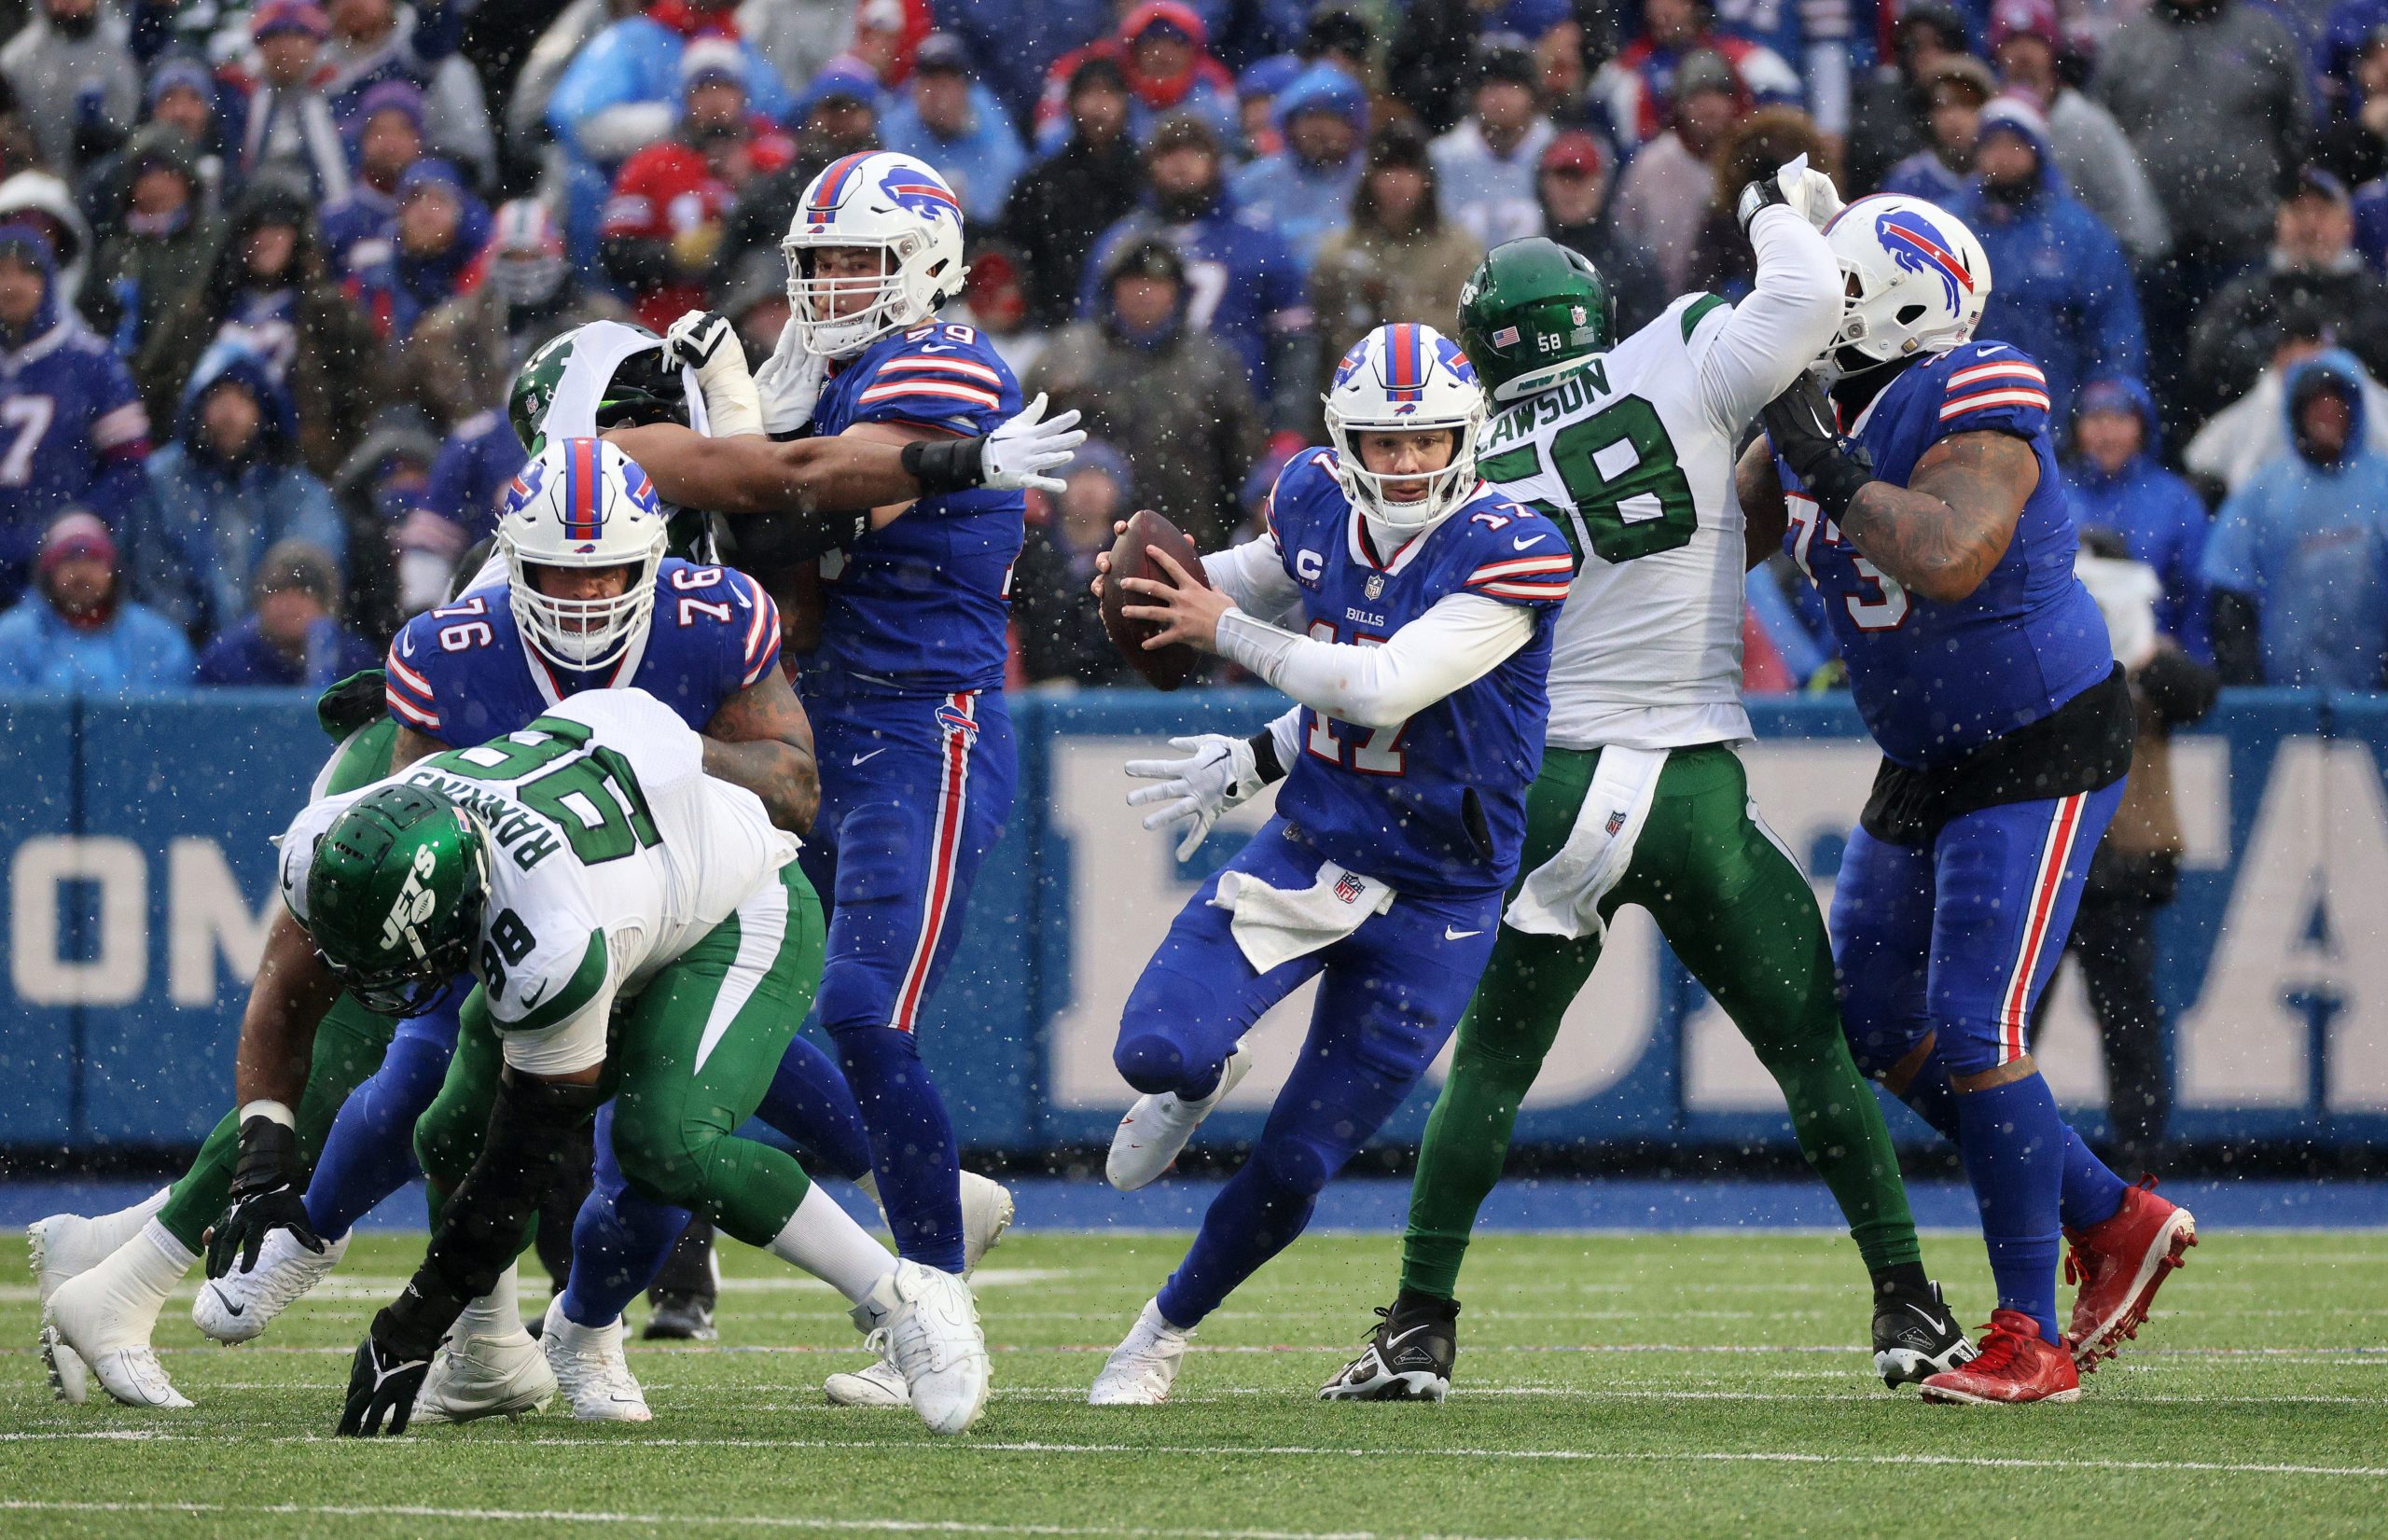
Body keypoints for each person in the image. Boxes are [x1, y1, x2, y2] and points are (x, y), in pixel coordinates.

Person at [30, 317, 1077, 1414]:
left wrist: (414, 1303)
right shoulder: (457, 650)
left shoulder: (700, 596)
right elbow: (298, 968)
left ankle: (604, 1315)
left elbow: (787, 713)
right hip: (538, 880)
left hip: (702, 897)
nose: (582, 602)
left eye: (608, 576)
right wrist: (268, 1139)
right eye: (556, 579)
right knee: (427, 1089)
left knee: (637, 1134)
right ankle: (464, 1322)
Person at [1322, 173, 1966, 1405]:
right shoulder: (1676, 347)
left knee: (1493, 1073)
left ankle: (1419, 1324)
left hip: (1549, 788)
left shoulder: (1459, 463)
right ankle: (1908, 1303)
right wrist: (1779, 203)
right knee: (1811, 1053)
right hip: (1689, 785)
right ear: (1591, 308)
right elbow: (1803, 292)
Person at [1739, 193, 2197, 1402]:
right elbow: (1698, 537)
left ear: (1892, 302)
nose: (1810, 316)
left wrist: (1827, 464)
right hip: (1929, 750)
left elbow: (1949, 552)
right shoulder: (1811, 410)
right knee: (1881, 1021)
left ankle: (2029, 1334)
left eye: (1831, 292)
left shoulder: (1977, 383)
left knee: (1979, 1021)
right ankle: (2111, 1213)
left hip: (2037, 736)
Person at [258, 674, 981, 1436]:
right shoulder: (340, 839)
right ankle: (487, 1355)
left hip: (733, 910)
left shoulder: (543, 933)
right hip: (625, 879)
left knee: (662, 1144)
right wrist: (259, 1148)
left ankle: (908, 1299)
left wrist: (409, 1321)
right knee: (446, 1131)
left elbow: (519, 1163)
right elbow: (281, 994)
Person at [1076, 321, 1573, 1405]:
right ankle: (1203, 1080)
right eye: (1383, 444)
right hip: (1312, 847)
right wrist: (1131, 577)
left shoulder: (1512, 543)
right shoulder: (1311, 500)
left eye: (1427, 440)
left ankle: (1158, 1333)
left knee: (1298, 1159)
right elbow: (1243, 583)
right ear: (1343, 442)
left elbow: (1384, 687)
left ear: (1468, 437)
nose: (1405, 464)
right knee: (1155, 1049)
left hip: (1438, 898)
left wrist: (1217, 631)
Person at [752, 148, 1042, 1411]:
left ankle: (934, 1296)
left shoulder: (947, 364)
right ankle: (928, 1194)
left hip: (927, 726)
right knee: (734, 1000)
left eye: (859, 259)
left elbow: (800, 518)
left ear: (926, 261)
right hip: (815, 732)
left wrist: (730, 436)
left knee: (863, 1006)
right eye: (816, 263)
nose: (832, 285)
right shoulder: (833, 370)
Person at [2039, 534, 2217, 1170]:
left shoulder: (2147, 662)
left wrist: (2144, 654)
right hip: (2056, 857)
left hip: (2111, 861)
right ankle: (2001, 1137)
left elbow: (2198, 694)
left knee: (2127, 1014)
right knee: (2022, 1013)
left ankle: (2141, 1144)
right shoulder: (2039, 656)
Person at [2093, 0, 2309, 403]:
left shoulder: (2266, 36)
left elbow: (2299, 130)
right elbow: (2102, 147)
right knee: (2158, 387)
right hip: (2153, 256)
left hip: (2244, 249)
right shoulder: (2126, 46)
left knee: (2243, 381)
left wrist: (2275, 204)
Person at [1079, 113, 1313, 440]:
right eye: (1168, 153)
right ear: (1150, 165)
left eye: (1194, 152)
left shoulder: (1258, 238)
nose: (1180, 164)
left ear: (1217, 161)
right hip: (1134, 424)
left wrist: (1289, 426)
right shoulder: (1122, 244)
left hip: (1237, 422)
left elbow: (1294, 346)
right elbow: (1091, 336)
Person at [134, 181, 385, 480]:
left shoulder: (332, 317)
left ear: (297, 238)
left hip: (302, 477)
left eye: (277, 230)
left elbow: (363, 401)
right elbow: (155, 391)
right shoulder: (199, 314)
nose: (265, 240)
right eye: (254, 230)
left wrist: (330, 464)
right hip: (201, 474)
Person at [1031, 237, 1265, 548]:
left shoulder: (1213, 362)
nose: (1144, 294)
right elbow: (1025, 435)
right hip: (1081, 547)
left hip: (1190, 537)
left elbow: (1242, 458)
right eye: (1133, 283)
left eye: (1156, 284)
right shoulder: (1068, 355)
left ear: (1177, 293)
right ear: (1111, 289)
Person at [1950, 98, 2145, 423]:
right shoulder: (1950, 226)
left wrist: (2102, 408)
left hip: (2058, 418)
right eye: (1993, 145)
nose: (2003, 157)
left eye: (2015, 145)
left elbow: (2114, 332)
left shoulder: (2080, 233)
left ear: (2037, 151)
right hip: (1964, 413)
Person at [134, 341, 345, 639]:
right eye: (218, 397)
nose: (229, 413)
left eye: (243, 398)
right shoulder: (160, 484)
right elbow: (155, 580)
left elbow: (310, 573)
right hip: (181, 659)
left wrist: (255, 641)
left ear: (264, 410)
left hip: (277, 653)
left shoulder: (297, 492)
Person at [2201, 353, 2388, 688]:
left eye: (2335, 405)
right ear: (2296, 414)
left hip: (2375, 699)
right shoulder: (2262, 493)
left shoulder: (2382, 484)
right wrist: (2249, 687)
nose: (2326, 416)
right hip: (2282, 700)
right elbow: (2231, 591)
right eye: (2315, 406)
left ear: (2354, 411)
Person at [0, 222, 150, 609]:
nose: (11, 285)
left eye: (25, 271)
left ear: (48, 278)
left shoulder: (92, 361)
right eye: (1, 272)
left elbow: (130, 464)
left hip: (66, 566)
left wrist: (82, 524)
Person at [599, 40, 792, 334]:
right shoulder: (650, 165)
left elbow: (802, 236)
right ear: (687, 98)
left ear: (742, 94)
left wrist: (754, 188)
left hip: (752, 324)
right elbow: (614, 254)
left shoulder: (775, 157)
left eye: (724, 87)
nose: (714, 100)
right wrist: (671, 255)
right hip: (669, 327)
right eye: (703, 88)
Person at [1307, 122, 1484, 414]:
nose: (1397, 183)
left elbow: (1468, 333)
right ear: (1369, 179)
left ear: (1426, 180)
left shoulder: (1459, 249)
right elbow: (1319, 334)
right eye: (1387, 170)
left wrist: (1397, 304)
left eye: (1408, 170)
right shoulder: (1336, 252)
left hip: (1437, 402)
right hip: (1352, 403)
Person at [403, 198, 625, 429]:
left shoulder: (604, 321)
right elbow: (444, 408)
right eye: (511, 256)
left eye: (533, 256)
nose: (523, 268)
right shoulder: (447, 328)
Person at [2188, 170, 2388, 423]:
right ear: (2279, 223)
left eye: (2320, 211)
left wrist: (2329, 352)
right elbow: (2207, 358)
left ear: (2347, 225)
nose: (2309, 225)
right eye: (2298, 212)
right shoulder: (2248, 291)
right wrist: (2276, 352)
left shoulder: (2372, 293)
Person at [1987, 0, 2170, 269]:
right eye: (2012, 41)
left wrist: (2098, 278)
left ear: (2052, 49)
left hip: (2083, 283)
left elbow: (2139, 227)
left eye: (2034, 40)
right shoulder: (1988, 123)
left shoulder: (2087, 124)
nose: (2024, 53)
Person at [545, 0, 793, 172]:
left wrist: (749, 151)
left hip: (734, 211)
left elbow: (783, 122)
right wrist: (679, 128)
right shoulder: (633, 39)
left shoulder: (741, 45)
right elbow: (580, 121)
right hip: (634, 205)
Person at [2063, 375, 2210, 658]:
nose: (2107, 434)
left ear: (2142, 428)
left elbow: (2195, 599)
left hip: (2152, 666)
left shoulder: (2176, 501)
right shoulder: (2051, 494)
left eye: (2119, 419)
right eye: (2095, 419)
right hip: (2066, 660)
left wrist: (2189, 665)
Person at [1000, 53, 1144, 329]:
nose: (1098, 106)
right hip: (1055, 329)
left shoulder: (1146, 175)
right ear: (1070, 104)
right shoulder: (1042, 181)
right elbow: (1014, 247)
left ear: (1126, 103)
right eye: (1088, 94)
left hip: (1135, 330)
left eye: (1108, 93)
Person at [0, 509, 191, 692]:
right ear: (47, 572)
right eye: (68, 559)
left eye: (93, 559)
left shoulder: (159, 640)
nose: (81, 572)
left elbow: (172, 720)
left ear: (114, 570)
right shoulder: (11, 639)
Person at [1610, 49, 1743, 294]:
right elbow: (1624, 236)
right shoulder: (1651, 163)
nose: (1709, 106)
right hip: (1657, 302)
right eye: (1698, 95)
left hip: (1727, 303)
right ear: (1681, 104)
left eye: (1719, 94)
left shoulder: (1744, 163)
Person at [1593, 0, 1797, 151]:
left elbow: (1787, 128)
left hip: (1739, 171)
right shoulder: (1625, 73)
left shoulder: (1749, 60)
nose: (1662, 9)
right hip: (1669, 182)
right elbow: (1626, 158)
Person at [1011, 439, 1134, 687]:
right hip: (1041, 692)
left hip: (1118, 695)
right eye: (1078, 475)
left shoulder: (1134, 555)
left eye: (1099, 476)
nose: (1088, 489)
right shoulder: (1027, 551)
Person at [1229, 62, 1368, 273]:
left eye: (1332, 117)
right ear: (1289, 126)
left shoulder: (1371, 175)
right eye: (1309, 117)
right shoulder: (1255, 180)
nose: (1320, 129)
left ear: (1353, 124)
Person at [879, 33, 1024, 227]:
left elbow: (1004, 196)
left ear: (966, 88)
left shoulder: (993, 129)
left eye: (947, 82)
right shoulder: (894, 127)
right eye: (930, 81)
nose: (938, 94)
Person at [1431, 37, 1561, 251]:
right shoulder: (1443, 157)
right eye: (1491, 86)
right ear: (1474, 96)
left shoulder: (1557, 151)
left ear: (1532, 95)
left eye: (1512, 86)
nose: (1501, 97)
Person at [221, 1, 355, 204]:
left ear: (315, 42)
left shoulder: (339, 93)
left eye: (296, 36)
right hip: (256, 215)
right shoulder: (240, 95)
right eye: (273, 37)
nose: (284, 48)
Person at [192, 537, 378, 686]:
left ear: (326, 604)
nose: (289, 603)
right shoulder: (224, 660)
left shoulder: (356, 662)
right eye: (277, 590)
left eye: (304, 591)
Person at [1534, 129, 1665, 336]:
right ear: (1543, 184)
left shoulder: (1636, 267)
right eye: (1562, 177)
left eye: (1579, 177)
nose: (1570, 189)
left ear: (1602, 183)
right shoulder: (1529, 264)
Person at [344, 159, 490, 342]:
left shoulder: (481, 276)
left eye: (439, 200)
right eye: (415, 198)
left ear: (460, 212)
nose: (426, 211)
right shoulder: (373, 279)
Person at [1843, 0, 1965, 206]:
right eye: (1915, 45)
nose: (1927, 56)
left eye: (1938, 43)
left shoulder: (1979, 93)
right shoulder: (1880, 105)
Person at [0, 0, 141, 177]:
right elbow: (10, 128)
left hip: (110, 177)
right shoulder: (15, 60)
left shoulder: (127, 44)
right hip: (36, 182)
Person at [317, 80, 429, 278]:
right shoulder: (336, 220)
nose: (390, 144)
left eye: (401, 131)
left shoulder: (444, 206)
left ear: (419, 139)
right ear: (363, 140)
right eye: (379, 132)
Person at [1881, 55, 1992, 207]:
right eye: (1943, 106)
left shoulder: (2005, 177)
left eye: (1967, 104)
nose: (1953, 117)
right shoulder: (1907, 179)